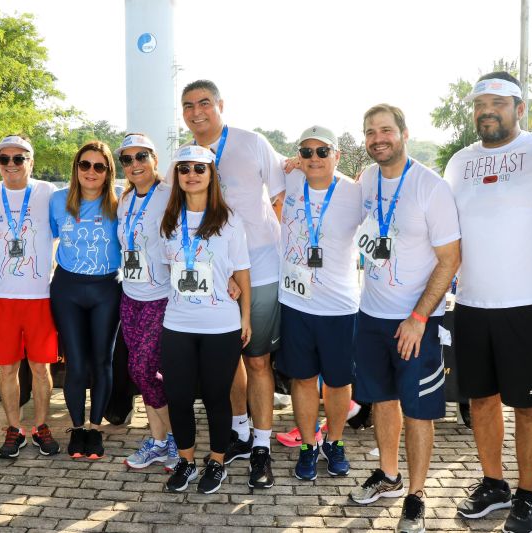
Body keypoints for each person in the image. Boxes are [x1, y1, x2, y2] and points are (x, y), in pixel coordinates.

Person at [444, 73, 532, 533]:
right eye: (479, 103)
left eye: (498, 102)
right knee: (482, 401)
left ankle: (527, 493)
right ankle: (493, 483)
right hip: (472, 303)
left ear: (520, 107)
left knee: (529, 406)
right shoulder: (458, 161)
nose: (486, 110)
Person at [349, 105, 461, 533]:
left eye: (386, 130)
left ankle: (415, 495)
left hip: (416, 322)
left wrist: (418, 317)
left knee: (418, 410)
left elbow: (450, 260)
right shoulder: (368, 179)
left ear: (404, 133)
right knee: (381, 400)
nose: (378, 138)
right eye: (370, 131)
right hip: (371, 315)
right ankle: (389, 476)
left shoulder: (430, 187)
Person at [180, 80, 284, 488]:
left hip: (259, 267)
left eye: (205, 103)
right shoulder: (186, 157)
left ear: (220, 105)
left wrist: (257, 243)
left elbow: (280, 197)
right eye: (188, 105)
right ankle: (239, 432)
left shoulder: (251, 142)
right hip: (211, 277)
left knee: (257, 360)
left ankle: (262, 446)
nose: (197, 111)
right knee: (230, 361)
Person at [159, 145, 251, 494]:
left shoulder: (229, 220)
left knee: (215, 396)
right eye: (184, 169)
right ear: (177, 176)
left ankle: (216, 461)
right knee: (179, 396)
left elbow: (242, 273)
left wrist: (246, 319)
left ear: (211, 175)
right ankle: (186, 460)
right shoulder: (168, 220)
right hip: (178, 322)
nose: (191, 174)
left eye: (200, 168)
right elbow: (173, 268)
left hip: (220, 325)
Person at [277, 125, 361, 482]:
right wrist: (286, 163)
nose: (313, 158)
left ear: (336, 155)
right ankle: (309, 445)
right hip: (295, 302)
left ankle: (335, 441)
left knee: (339, 383)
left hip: (340, 306)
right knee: (303, 379)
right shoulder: (290, 181)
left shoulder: (355, 193)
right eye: (306, 152)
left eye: (322, 151)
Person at [0, 135, 60, 457]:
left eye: (19, 158)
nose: (12, 164)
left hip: (40, 295)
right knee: (7, 369)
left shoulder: (48, 193)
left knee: (41, 368)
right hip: (0, 295)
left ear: (31, 161)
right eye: (5, 159)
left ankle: (41, 426)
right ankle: (13, 427)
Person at [49, 140, 121, 460]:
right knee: (76, 363)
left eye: (99, 166)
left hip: (107, 289)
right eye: (84, 165)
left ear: (108, 172)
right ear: (76, 168)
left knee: (102, 361)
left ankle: (95, 429)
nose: (91, 172)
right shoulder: (56, 201)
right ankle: (77, 429)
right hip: (68, 290)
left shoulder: (121, 203)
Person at [115, 133, 178, 470]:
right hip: (131, 295)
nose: (135, 164)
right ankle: (159, 441)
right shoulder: (125, 200)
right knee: (139, 371)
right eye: (127, 159)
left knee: (143, 368)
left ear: (155, 159)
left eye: (141, 157)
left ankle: (173, 439)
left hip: (162, 297)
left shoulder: (171, 195)